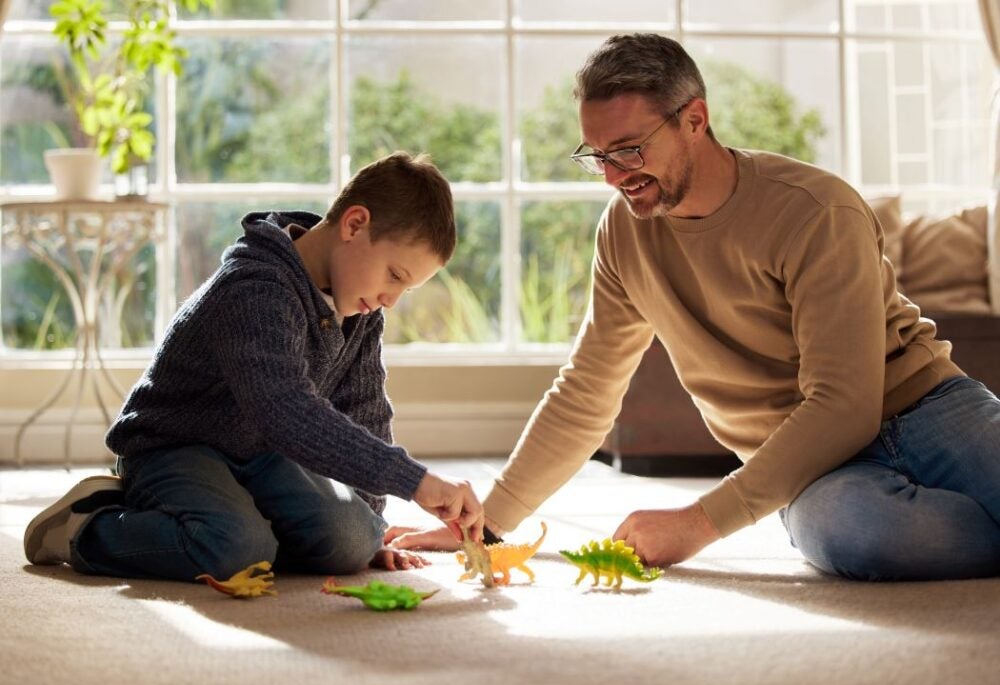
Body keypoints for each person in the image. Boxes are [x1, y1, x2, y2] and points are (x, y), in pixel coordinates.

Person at [388, 33, 1000, 581]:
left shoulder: (815, 210)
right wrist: (488, 524)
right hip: (812, 472)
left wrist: (698, 522)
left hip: (928, 410)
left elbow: (845, 405)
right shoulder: (624, 235)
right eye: (596, 155)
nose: (611, 177)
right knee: (855, 535)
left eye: (628, 149)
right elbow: (587, 391)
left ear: (695, 121)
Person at [24, 151, 485, 582]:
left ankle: (244, 522)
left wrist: (371, 523)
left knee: (353, 541)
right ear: (355, 224)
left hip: (264, 456)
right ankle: (87, 527)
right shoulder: (256, 287)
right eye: (395, 276)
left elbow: (362, 410)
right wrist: (414, 481)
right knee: (235, 548)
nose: (391, 299)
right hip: (176, 446)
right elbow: (286, 411)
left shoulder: (362, 309)